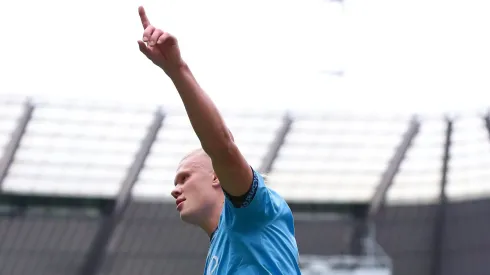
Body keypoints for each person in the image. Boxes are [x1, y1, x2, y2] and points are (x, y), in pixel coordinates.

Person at [137, 6, 301, 275]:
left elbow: (222, 147)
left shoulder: (252, 211)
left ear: (217, 177)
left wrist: (177, 70)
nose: (174, 190)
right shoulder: (217, 254)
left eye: (185, 178)